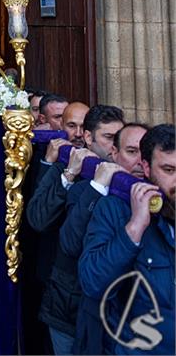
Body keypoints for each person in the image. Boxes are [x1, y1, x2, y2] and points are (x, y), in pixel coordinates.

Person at [27, 105, 124, 355]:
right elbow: (39, 218)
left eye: (118, 138)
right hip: (65, 297)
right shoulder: (64, 166)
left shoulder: (125, 178)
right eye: (109, 138)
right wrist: (70, 175)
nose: (115, 146)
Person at [79, 124, 175, 356]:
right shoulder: (115, 210)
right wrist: (134, 228)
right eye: (169, 170)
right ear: (146, 167)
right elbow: (92, 282)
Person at [59, 123, 150, 355]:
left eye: (145, 154)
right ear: (114, 153)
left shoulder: (161, 202)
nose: (140, 161)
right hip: (87, 318)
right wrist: (98, 187)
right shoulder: (86, 190)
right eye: (131, 152)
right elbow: (70, 244)